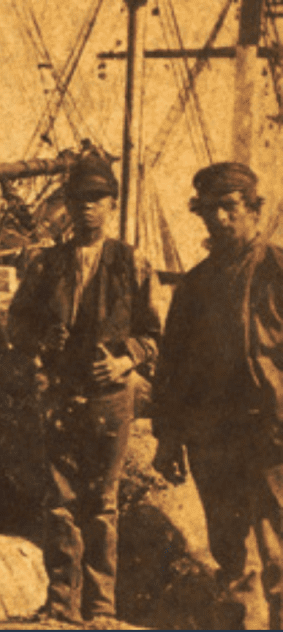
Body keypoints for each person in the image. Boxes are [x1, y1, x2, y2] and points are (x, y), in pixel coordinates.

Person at [7, 153, 162, 623]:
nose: (87, 208)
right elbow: (17, 324)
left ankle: (100, 609)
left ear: (112, 204)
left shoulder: (132, 263)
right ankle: (61, 607)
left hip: (111, 400)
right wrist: (39, 339)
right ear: (67, 206)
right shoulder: (45, 264)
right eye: (78, 199)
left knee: (101, 506)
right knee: (60, 505)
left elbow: (156, 335)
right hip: (59, 395)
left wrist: (124, 360)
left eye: (96, 199)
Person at [152, 162, 283, 630]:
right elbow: (171, 370)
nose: (219, 220)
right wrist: (168, 440)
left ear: (254, 209)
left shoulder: (277, 270)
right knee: (230, 553)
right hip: (214, 437)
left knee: (279, 551)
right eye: (209, 211)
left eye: (229, 208)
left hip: (270, 431)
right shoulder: (195, 285)